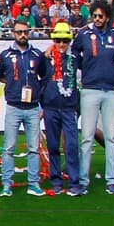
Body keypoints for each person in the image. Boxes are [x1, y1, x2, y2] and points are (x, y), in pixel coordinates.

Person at [72, 0, 114, 195]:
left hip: (111, 91)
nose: (97, 19)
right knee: (86, 137)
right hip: (89, 90)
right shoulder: (84, 33)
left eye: (101, 16)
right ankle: (83, 181)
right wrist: (84, 67)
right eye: (94, 16)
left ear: (108, 17)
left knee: (111, 137)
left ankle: (112, 180)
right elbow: (73, 52)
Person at [0, 19, 46, 197]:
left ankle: (34, 184)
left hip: (32, 108)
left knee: (33, 148)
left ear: (29, 33)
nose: (22, 35)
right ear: (13, 34)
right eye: (19, 32)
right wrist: (12, 84)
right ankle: (7, 184)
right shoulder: (5, 55)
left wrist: (41, 99)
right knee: (9, 148)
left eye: (25, 32)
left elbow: (45, 77)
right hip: (14, 106)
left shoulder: (37, 55)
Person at [40, 22, 82, 196]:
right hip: (50, 108)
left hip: (68, 108)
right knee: (53, 146)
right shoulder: (46, 59)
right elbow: (38, 77)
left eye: (65, 40)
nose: (61, 44)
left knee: (71, 145)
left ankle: (74, 182)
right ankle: (56, 180)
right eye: (58, 40)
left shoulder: (75, 58)